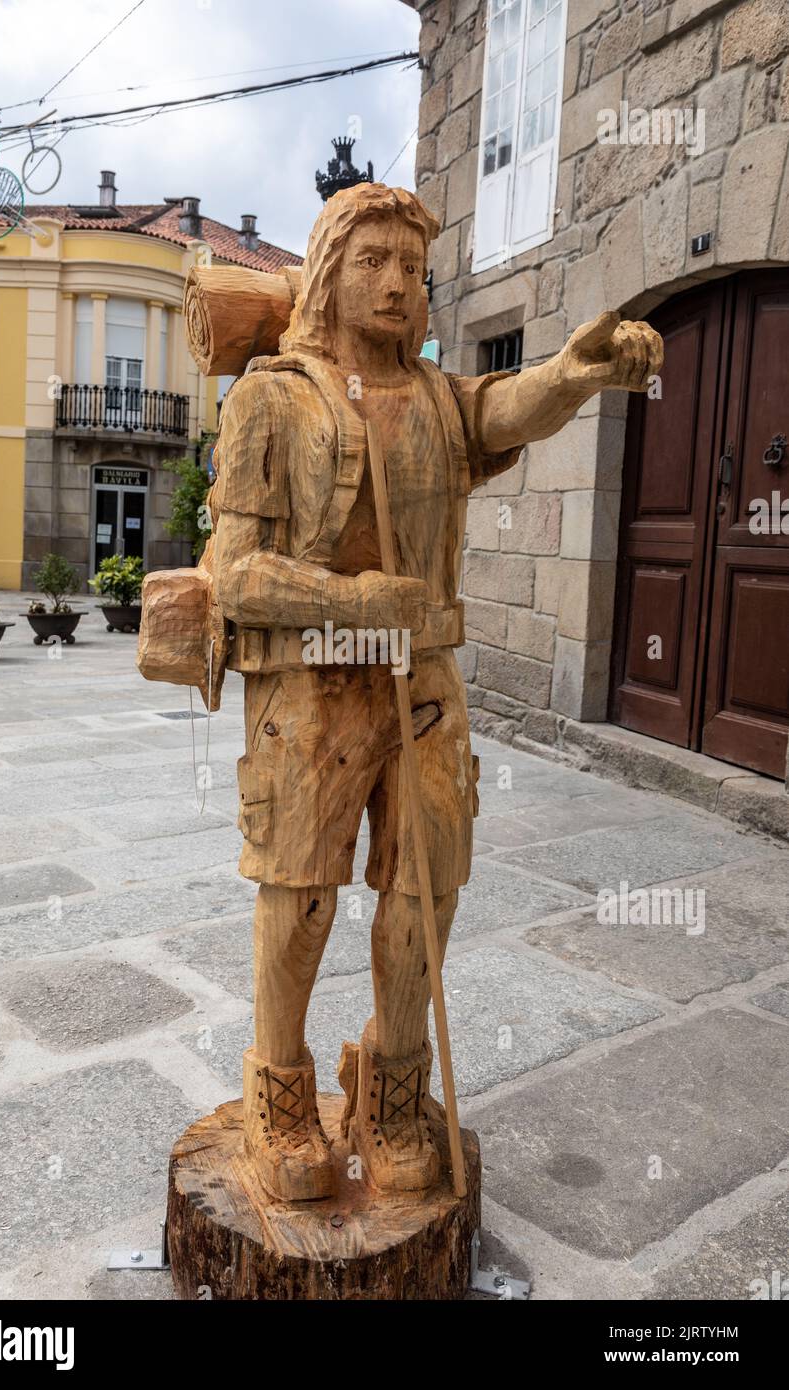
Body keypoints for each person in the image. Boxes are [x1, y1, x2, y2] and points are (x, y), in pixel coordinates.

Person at [211, 182, 662, 1200]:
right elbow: (233, 571)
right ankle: (280, 1095)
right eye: (371, 259)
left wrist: (573, 369)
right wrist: (353, 595)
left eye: (409, 267)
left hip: (423, 687)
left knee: (423, 896)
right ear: (328, 274)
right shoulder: (270, 399)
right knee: (302, 895)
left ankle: (392, 1088)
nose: (394, 281)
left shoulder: (437, 401)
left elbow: (507, 405)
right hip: (311, 687)